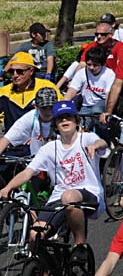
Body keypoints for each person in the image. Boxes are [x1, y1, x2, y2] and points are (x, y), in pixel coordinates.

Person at [0, 100, 108, 246]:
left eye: (68, 117)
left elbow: (103, 143)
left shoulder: (86, 138)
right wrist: (7, 188)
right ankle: (44, 267)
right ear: (55, 125)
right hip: (59, 197)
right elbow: (28, 173)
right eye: (60, 118)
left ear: (76, 122)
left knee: (69, 196)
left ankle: (80, 244)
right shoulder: (49, 148)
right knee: (35, 234)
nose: (64, 120)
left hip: (89, 193)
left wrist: (95, 146)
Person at [0, 52, 60, 132]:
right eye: (12, 71)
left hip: (41, 139)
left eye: (19, 71)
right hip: (13, 141)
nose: (15, 75)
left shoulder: (47, 86)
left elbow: (60, 111)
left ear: (31, 71)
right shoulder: (3, 92)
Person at [65, 47, 116, 120]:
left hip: (102, 103)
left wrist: (107, 112)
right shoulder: (82, 73)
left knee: (96, 110)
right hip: (86, 105)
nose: (91, 68)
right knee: (80, 121)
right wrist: (64, 104)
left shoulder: (109, 74)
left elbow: (109, 95)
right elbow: (72, 90)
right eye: (89, 64)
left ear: (102, 64)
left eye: (95, 65)